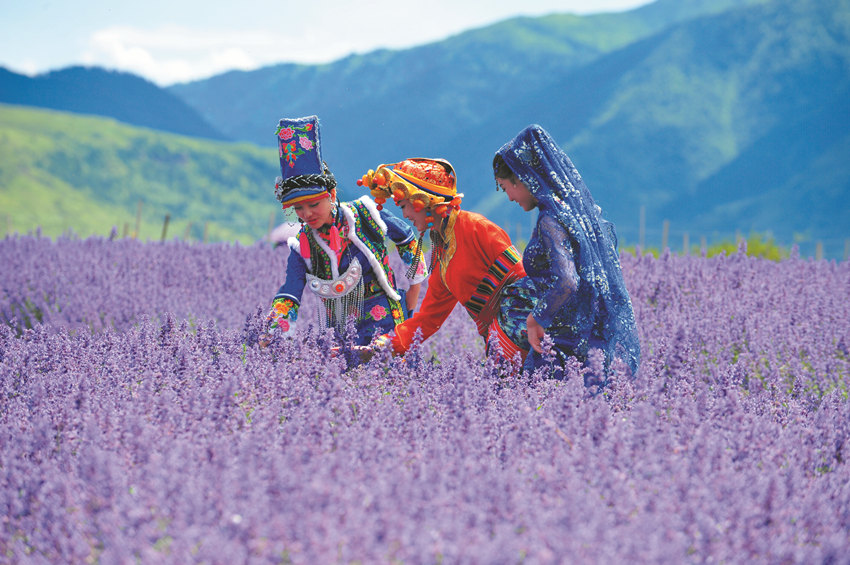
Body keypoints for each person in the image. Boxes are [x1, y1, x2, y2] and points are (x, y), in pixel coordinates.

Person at [262, 116, 427, 347]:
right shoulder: (302, 245)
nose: (306, 214)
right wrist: (273, 332)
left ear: (331, 195)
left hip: (385, 321)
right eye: (298, 208)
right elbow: (290, 291)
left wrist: (413, 294)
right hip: (340, 333)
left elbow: (406, 237)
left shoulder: (364, 213)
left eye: (313, 204)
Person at [493, 124, 640, 381]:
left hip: (562, 343)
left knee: (539, 396)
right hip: (591, 336)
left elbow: (567, 280)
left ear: (522, 178)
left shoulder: (551, 220)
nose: (509, 198)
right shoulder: (574, 213)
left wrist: (536, 318)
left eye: (505, 188)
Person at [357, 158, 535, 364]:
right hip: (499, 346)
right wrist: (383, 344)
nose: (405, 215)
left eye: (404, 206)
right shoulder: (441, 256)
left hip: (526, 336)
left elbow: (524, 282)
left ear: (423, 199)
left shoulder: (477, 228)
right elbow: (429, 318)